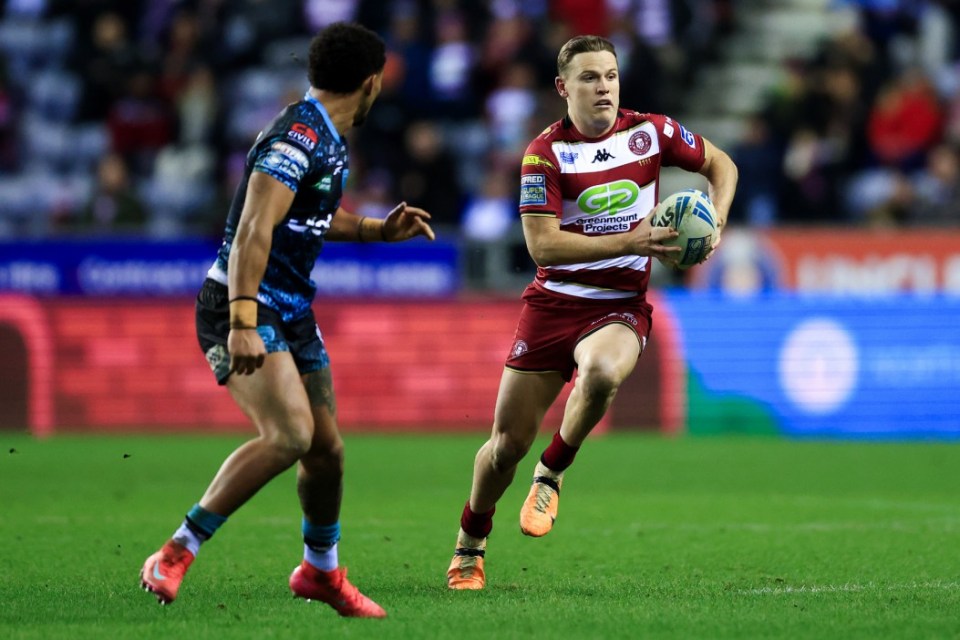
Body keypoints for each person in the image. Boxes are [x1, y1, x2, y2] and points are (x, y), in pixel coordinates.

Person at [139, 22, 435, 618]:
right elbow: (255, 227)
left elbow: (315, 214)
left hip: (292, 309)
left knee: (326, 452)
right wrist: (243, 321)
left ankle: (320, 573)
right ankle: (177, 549)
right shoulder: (298, 138)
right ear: (372, 82)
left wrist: (378, 229)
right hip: (241, 304)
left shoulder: (324, 133)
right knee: (290, 436)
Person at [445, 34, 738, 590]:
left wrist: (716, 220)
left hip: (620, 306)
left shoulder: (651, 132)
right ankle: (470, 543)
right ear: (563, 87)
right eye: (588, 77)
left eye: (610, 75)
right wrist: (632, 240)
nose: (603, 86)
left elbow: (721, 164)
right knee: (505, 446)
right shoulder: (543, 154)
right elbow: (543, 246)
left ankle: (552, 472)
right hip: (553, 306)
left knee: (602, 373)